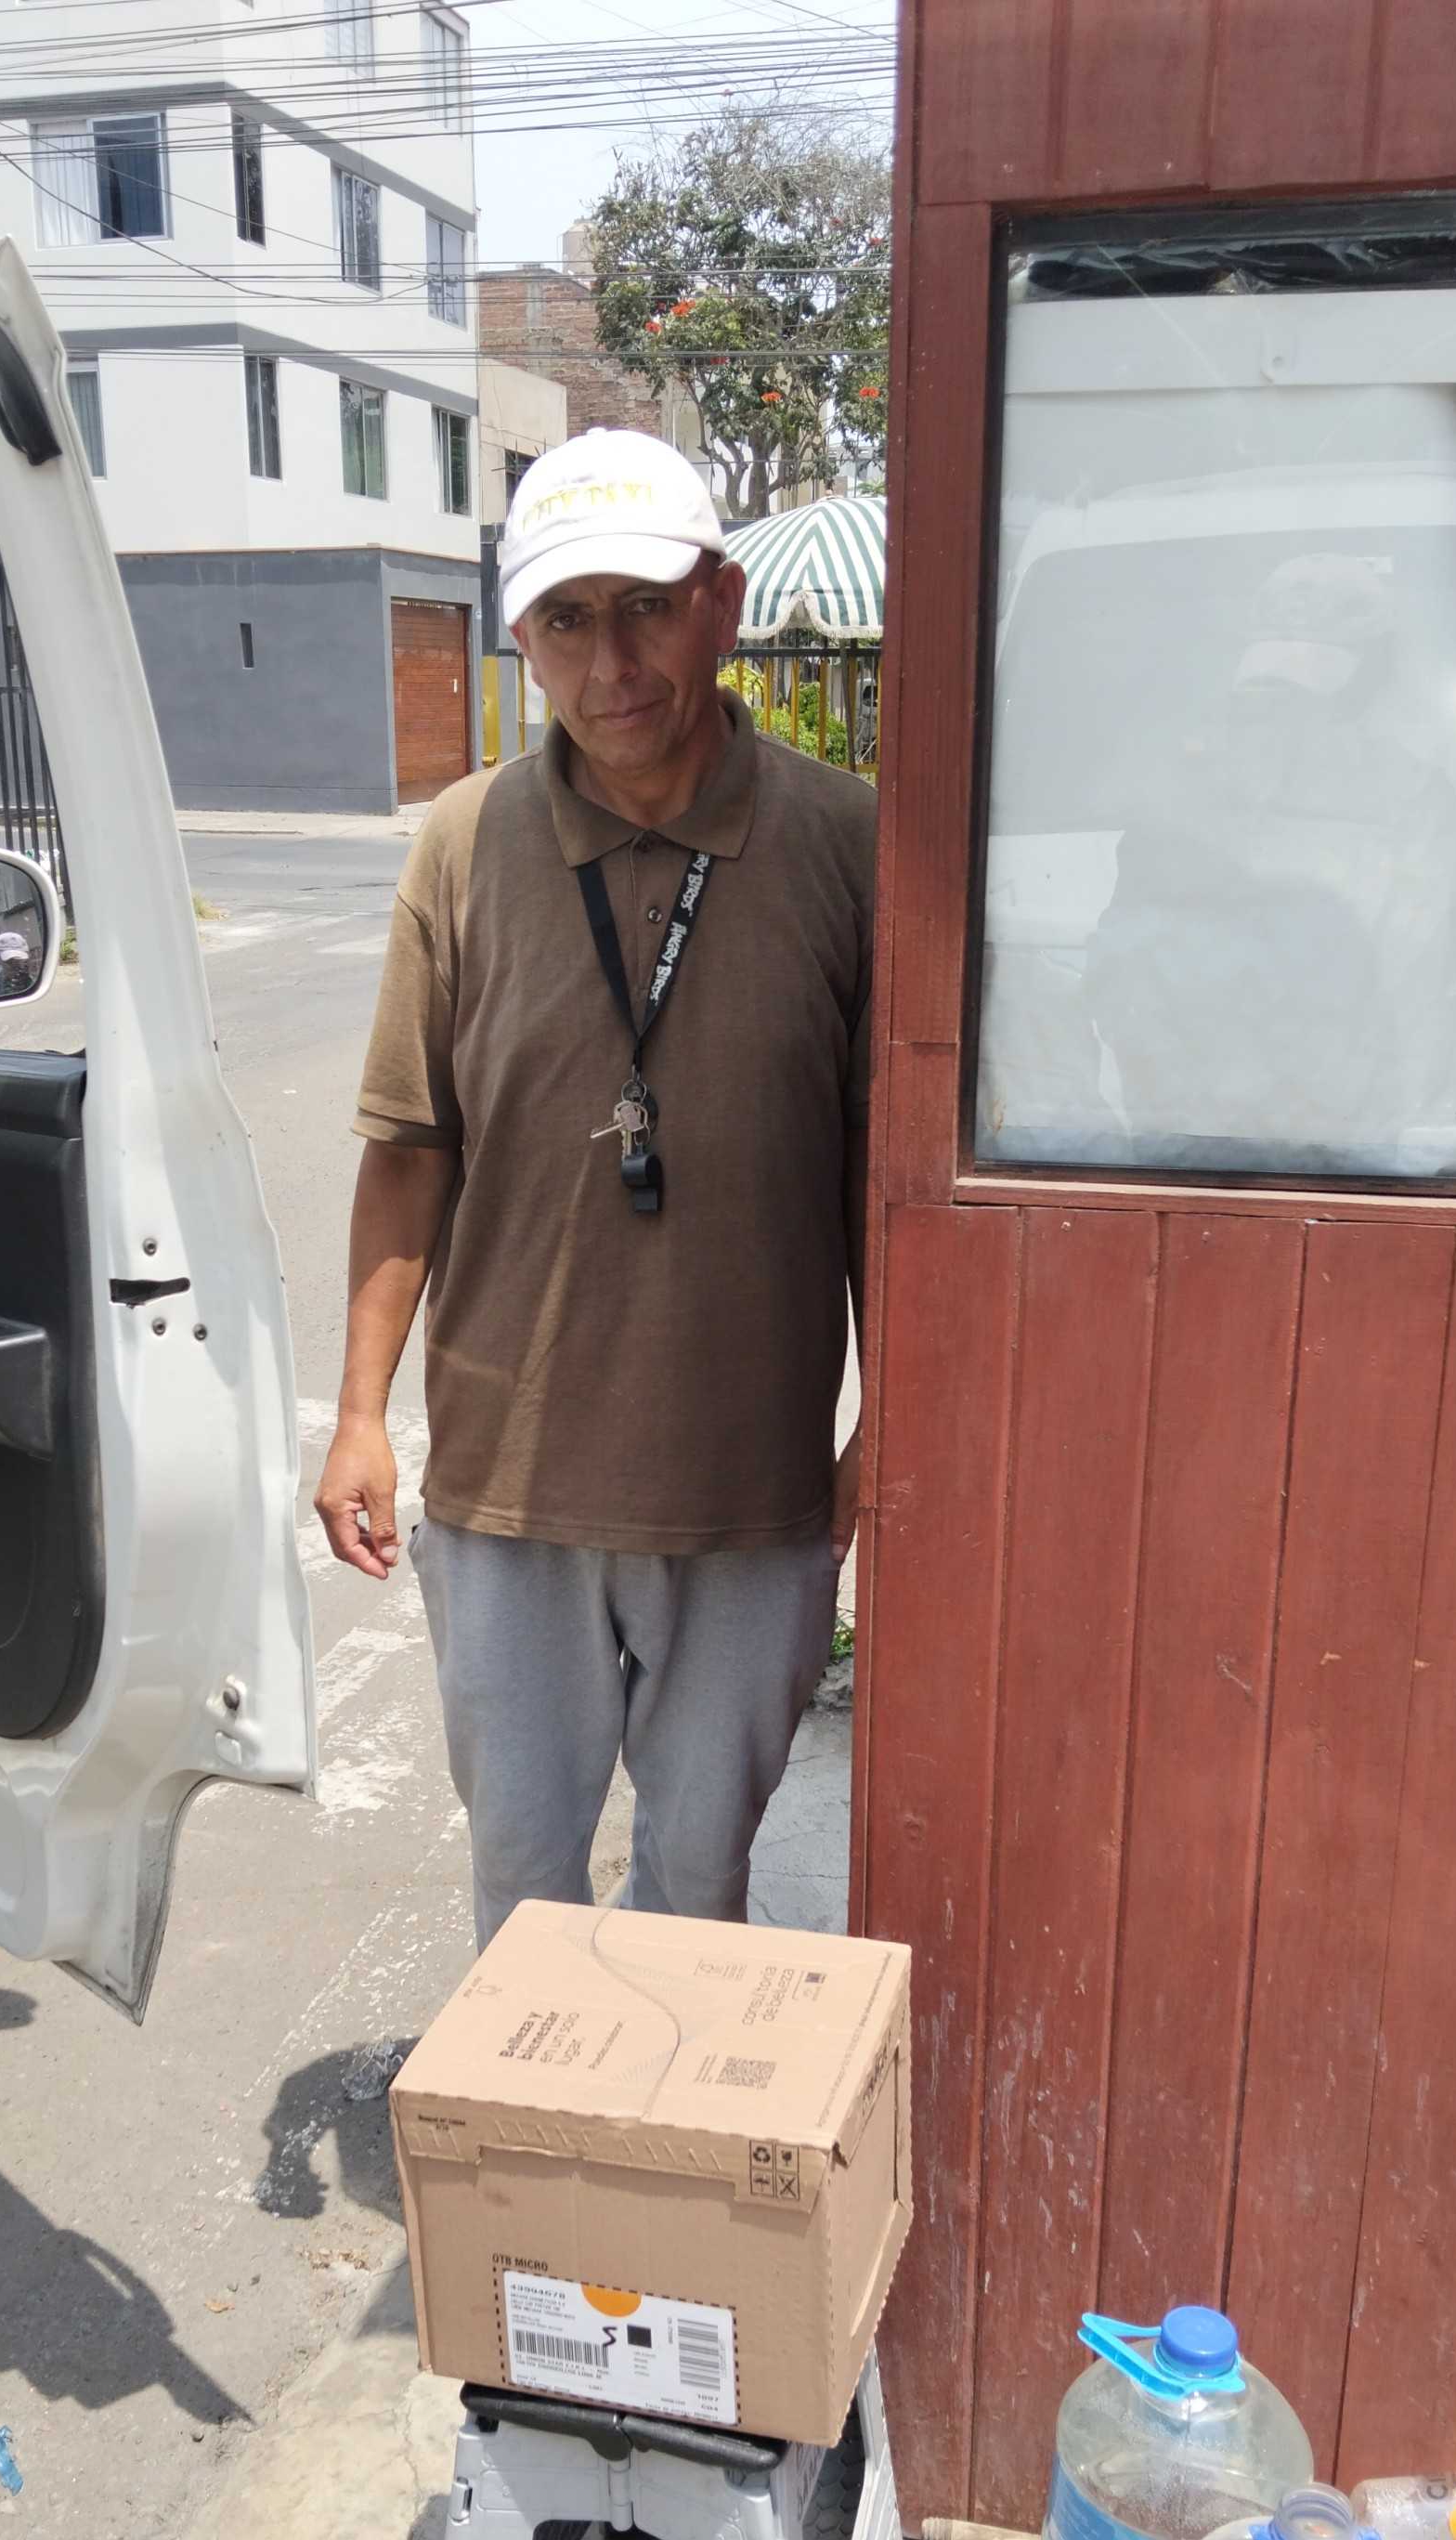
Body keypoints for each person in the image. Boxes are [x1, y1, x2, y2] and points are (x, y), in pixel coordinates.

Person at [314, 429, 877, 1949]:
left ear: (721, 605)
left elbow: (885, 1189)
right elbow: (408, 1149)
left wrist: (887, 1428)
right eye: (568, 619)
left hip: (749, 1495)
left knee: (699, 1890)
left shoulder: (847, 844)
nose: (611, 662)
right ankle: (544, 2116)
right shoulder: (462, 843)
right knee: (524, 1898)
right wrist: (361, 1414)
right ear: (521, 637)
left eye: (646, 608)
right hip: (510, 1489)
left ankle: (673, 2110)